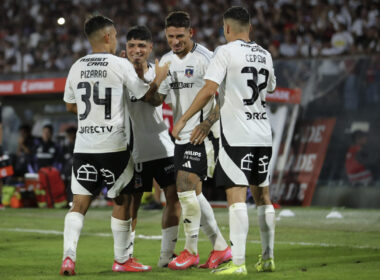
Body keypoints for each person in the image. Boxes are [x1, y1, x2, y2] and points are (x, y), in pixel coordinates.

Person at [60, 15, 169, 275]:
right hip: (114, 146)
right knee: (124, 199)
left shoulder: (76, 66)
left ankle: (68, 258)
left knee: (79, 204)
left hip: (84, 147)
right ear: (108, 36)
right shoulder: (119, 64)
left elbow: (69, 105)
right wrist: (159, 77)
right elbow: (145, 96)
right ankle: (121, 260)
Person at [172, 6, 276, 275]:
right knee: (263, 196)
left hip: (237, 136)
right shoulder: (265, 54)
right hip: (263, 133)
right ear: (249, 27)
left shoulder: (224, 52)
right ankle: (267, 258)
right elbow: (271, 87)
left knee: (237, 197)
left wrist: (184, 119)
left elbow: (209, 89)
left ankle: (238, 263)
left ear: (226, 29)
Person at [157, 11, 231, 270]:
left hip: (203, 134)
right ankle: (221, 247)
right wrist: (150, 78)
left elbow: (223, 98)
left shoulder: (207, 59)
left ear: (191, 33)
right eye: (170, 37)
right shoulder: (165, 61)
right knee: (193, 196)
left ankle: (190, 251)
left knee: (185, 187)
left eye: (180, 36)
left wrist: (206, 123)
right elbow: (156, 99)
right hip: (181, 137)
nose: (175, 41)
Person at [123, 25, 181, 267]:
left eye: (141, 46)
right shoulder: (119, 72)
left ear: (149, 49)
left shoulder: (158, 71)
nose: (136, 50)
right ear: (125, 49)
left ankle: (166, 257)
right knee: (131, 204)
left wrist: (157, 79)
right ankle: (125, 256)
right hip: (134, 151)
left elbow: (155, 99)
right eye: (131, 46)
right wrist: (156, 80)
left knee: (173, 196)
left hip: (161, 145)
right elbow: (146, 96)